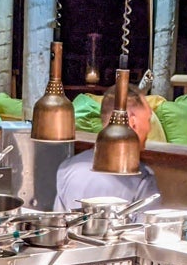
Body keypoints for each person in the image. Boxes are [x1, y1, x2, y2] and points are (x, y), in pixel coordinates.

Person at [53, 87, 159, 215]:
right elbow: (146, 226)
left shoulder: (67, 168)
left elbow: (58, 222)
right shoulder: (142, 179)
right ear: (132, 123)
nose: (150, 128)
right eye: (148, 120)